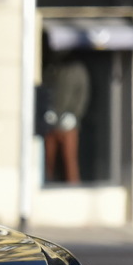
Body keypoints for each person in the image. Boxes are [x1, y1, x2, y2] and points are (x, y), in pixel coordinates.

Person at [42, 52, 90, 184]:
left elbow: (82, 94)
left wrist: (74, 114)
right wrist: (48, 109)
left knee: (69, 158)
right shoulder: (52, 69)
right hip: (52, 120)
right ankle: (48, 182)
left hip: (69, 123)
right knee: (49, 157)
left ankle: (73, 184)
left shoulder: (77, 70)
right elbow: (47, 89)